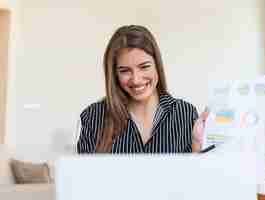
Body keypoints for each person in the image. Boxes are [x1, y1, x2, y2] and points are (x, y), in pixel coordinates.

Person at [77, 25, 208, 153]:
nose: (136, 79)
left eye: (144, 67)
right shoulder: (93, 117)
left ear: (157, 65)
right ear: (114, 74)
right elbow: (83, 174)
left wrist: (197, 145)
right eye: (125, 71)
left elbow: (191, 173)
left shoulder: (185, 113)